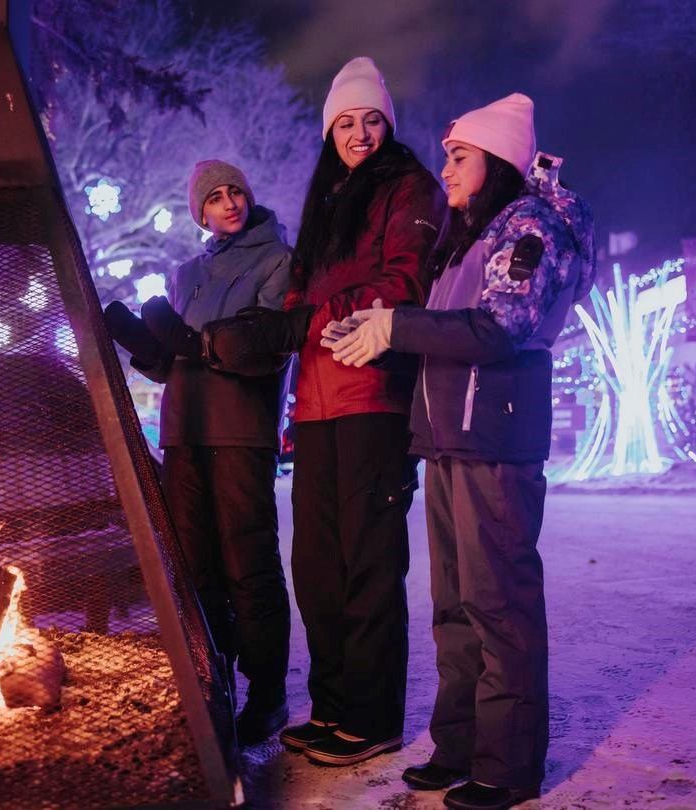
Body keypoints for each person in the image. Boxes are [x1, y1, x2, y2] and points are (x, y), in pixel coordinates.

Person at [323, 94, 595, 809]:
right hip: (448, 442)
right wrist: (380, 330)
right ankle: (460, 746)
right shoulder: (469, 239)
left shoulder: (528, 226)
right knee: (453, 605)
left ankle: (507, 765)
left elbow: (500, 327)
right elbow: (443, 333)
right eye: (446, 156)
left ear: (497, 160)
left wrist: (398, 325)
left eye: (459, 156)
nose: (444, 168)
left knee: (498, 603)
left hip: (494, 442)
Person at [191, 56, 446, 766]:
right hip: (317, 406)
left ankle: (372, 717)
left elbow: (405, 280)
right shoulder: (327, 202)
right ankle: (333, 707)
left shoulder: (411, 188)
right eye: (345, 122)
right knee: (316, 566)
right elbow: (300, 297)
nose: (359, 133)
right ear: (330, 132)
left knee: (368, 562)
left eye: (372, 120)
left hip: (374, 398)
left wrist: (308, 320)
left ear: (387, 125)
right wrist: (277, 330)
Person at [104, 160, 293, 746]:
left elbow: (264, 348)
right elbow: (173, 366)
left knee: (248, 564)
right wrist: (138, 339)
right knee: (195, 566)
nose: (229, 202)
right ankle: (215, 684)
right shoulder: (185, 274)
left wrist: (189, 340)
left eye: (235, 191)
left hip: (240, 430)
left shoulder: (278, 260)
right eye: (214, 197)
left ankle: (267, 694)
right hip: (184, 430)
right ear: (200, 212)